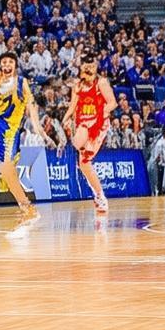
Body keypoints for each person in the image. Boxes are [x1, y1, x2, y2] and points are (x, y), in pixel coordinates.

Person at [0, 52, 54, 231]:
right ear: (0, 66)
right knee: (6, 171)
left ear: (15, 66)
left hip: (10, 131)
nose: (7, 64)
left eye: (10, 61)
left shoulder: (21, 82)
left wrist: (39, 129)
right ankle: (27, 209)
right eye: (4, 62)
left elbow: (31, 106)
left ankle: (27, 208)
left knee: (8, 170)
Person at [64, 55, 116, 212]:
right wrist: (65, 119)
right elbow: (73, 106)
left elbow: (112, 103)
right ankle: (99, 194)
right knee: (83, 164)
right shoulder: (77, 86)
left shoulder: (101, 82)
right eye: (85, 65)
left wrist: (99, 115)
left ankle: (100, 196)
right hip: (83, 122)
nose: (88, 68)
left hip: (98, 124)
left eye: (91, 65)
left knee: (85, 160)